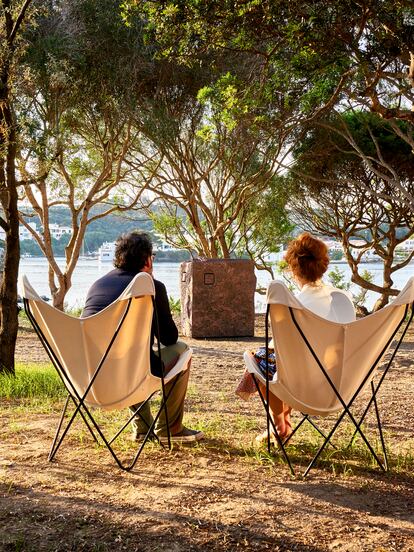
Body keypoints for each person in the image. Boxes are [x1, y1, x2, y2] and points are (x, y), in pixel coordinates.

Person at [82, 231, 204, 443]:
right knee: (182, 351)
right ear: (147, 260)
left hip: (88, 377)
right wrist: (153, 287)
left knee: (127, 356)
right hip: (131, 375)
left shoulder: (97, 286)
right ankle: (170, 428)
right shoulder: (151, 288)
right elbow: (169, 338)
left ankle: (143, 428)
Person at [236, 232, 356, 444]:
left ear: (292, 269)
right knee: (284, 361)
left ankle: (278, 423)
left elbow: (281, 349)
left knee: (260, 360)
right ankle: (284, 421)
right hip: (341, 386)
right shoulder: (343, 299)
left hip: (301, 387)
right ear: (323, 266)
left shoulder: (294, 306)